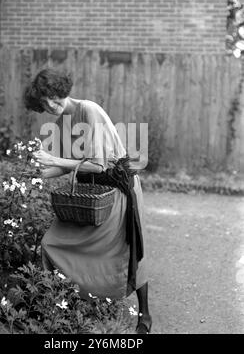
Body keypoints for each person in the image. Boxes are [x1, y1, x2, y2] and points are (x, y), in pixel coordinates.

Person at [24, 68, 152, 334]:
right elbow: (66, 166)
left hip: (118, 189)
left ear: (62, 89)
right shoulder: (62, 123)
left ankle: (145, 314)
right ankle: (62, 304)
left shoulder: (88, 110)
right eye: (43, 102)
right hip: (90, 195)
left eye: (52, 96)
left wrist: (54, 160)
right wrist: (37, 173)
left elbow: (97, 164)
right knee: (51, 242)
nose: (50, 104)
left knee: (128, 252)